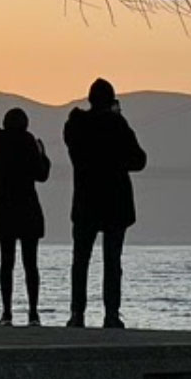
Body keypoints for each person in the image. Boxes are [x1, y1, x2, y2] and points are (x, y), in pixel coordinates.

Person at [63, 77, 148, 328]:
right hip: (114, 202)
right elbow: (139, 160)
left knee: (80, 261)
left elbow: (76, 154)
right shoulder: (116, 124)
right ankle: (111, 314)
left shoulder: (75, 126)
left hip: (85, 200)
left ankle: (77, 314)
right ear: (111, 101)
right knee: (112, 261)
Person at [0, 106, 50, 326]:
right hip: (28, 209)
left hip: (4, 209)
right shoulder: (29, 143)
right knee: (30, 264)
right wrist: (43, 155)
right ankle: (33, 314)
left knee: (6, 263)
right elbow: (42, 175)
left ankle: (6, 314)